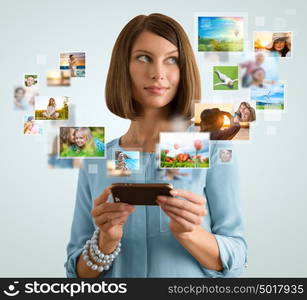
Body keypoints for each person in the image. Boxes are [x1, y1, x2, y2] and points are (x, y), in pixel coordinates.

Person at [65, 13, 247, 278]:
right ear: (122, 67)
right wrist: (106, 241)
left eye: (171, 60)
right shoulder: (96, 158)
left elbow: (238, 258)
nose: (158, 74)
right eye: (143, 58)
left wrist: (190, 233)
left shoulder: (212, 150)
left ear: (183, 69)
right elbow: (75, 274)